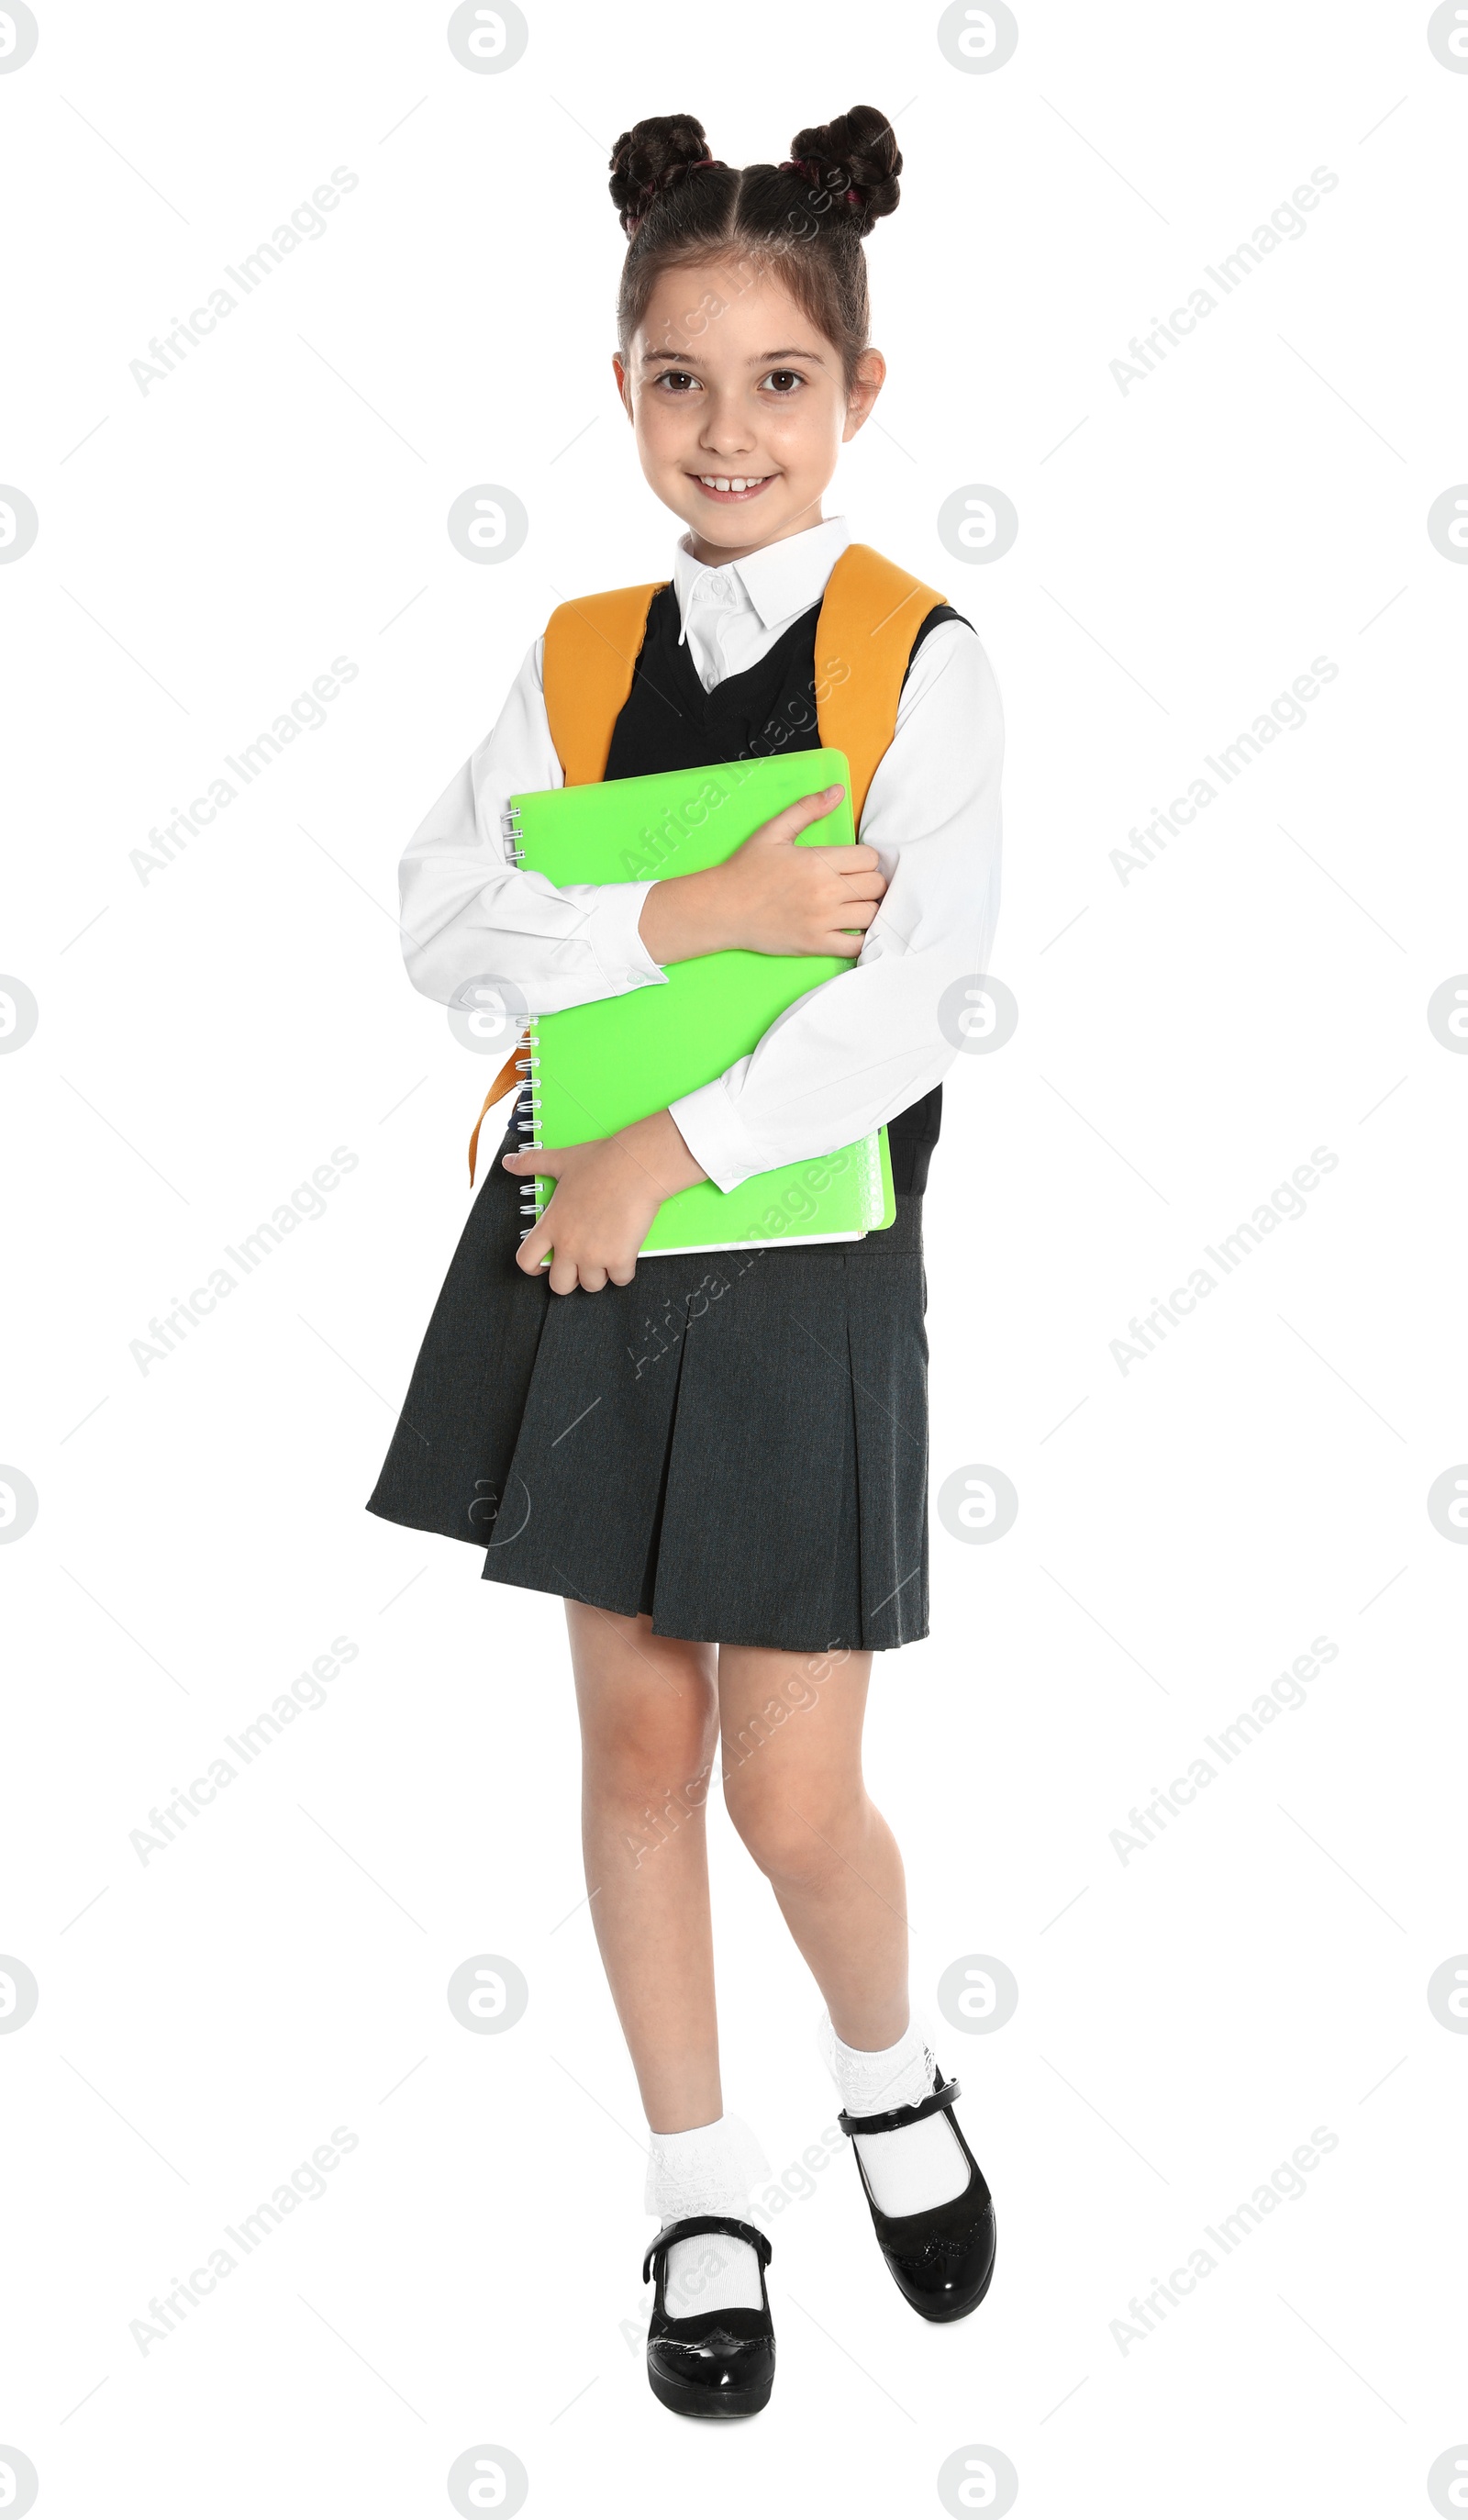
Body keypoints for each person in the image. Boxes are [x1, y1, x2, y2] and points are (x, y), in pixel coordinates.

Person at [367, 104, 1005, 2420]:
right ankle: (693, 2181)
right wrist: (686, 914)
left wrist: (666, 1128)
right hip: (582, 1243)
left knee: (790, 1788)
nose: (722, 430)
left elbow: (915, 998)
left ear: (855, 394)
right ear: (619, 382)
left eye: (774, 381)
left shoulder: (915, 662)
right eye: (673, 377)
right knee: (633, 1740)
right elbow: (449, 915)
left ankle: (883, 2065)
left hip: (797, 1252)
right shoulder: (570, 653)